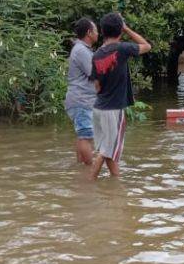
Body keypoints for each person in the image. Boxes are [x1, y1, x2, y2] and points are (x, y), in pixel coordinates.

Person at [90, 12, 151, 181]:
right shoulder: (123, 49)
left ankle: (116, 183)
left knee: (107, 149)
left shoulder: (96, 55)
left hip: (98, 108)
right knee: (106, 151)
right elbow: (146, 46)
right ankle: (88, 183)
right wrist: (127, 28)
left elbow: (97, 86)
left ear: (102, 31)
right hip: (114, 109)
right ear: (120, 30)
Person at [64, 17, 99, 165]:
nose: (98, 33)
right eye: (96, 30)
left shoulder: (81, 49)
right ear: (89, 33)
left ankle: (80, 170)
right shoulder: (81, 51)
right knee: (86, 137)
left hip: (80, 100)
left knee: (82, 135)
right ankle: (89, 171)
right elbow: (94, 74)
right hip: (81, 100)